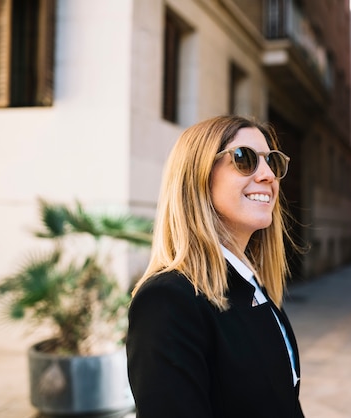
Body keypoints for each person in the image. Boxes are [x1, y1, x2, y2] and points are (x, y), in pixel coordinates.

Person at [126, 115, 304, 417]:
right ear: (198, 175)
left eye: (272, 162)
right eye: (244, 158)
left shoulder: (253, 286)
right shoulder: (168, 301)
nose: (268, 176)